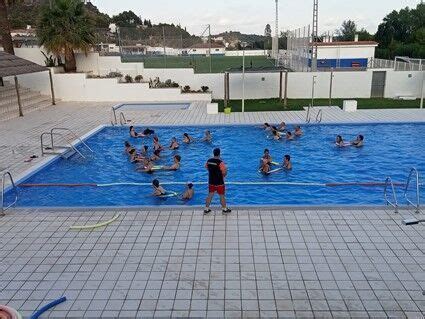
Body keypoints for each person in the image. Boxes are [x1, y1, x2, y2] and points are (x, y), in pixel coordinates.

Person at [204, 148, 231, 215]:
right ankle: (224, 209)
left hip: (211, 181)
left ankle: (206, 209)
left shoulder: (209, 161)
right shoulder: (220, 162)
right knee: (222, 195)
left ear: (213, 153)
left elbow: (207, 168)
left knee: (210, 194)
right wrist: (224, 174)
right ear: (219, 154)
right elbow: (224, 172)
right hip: (219, 182)